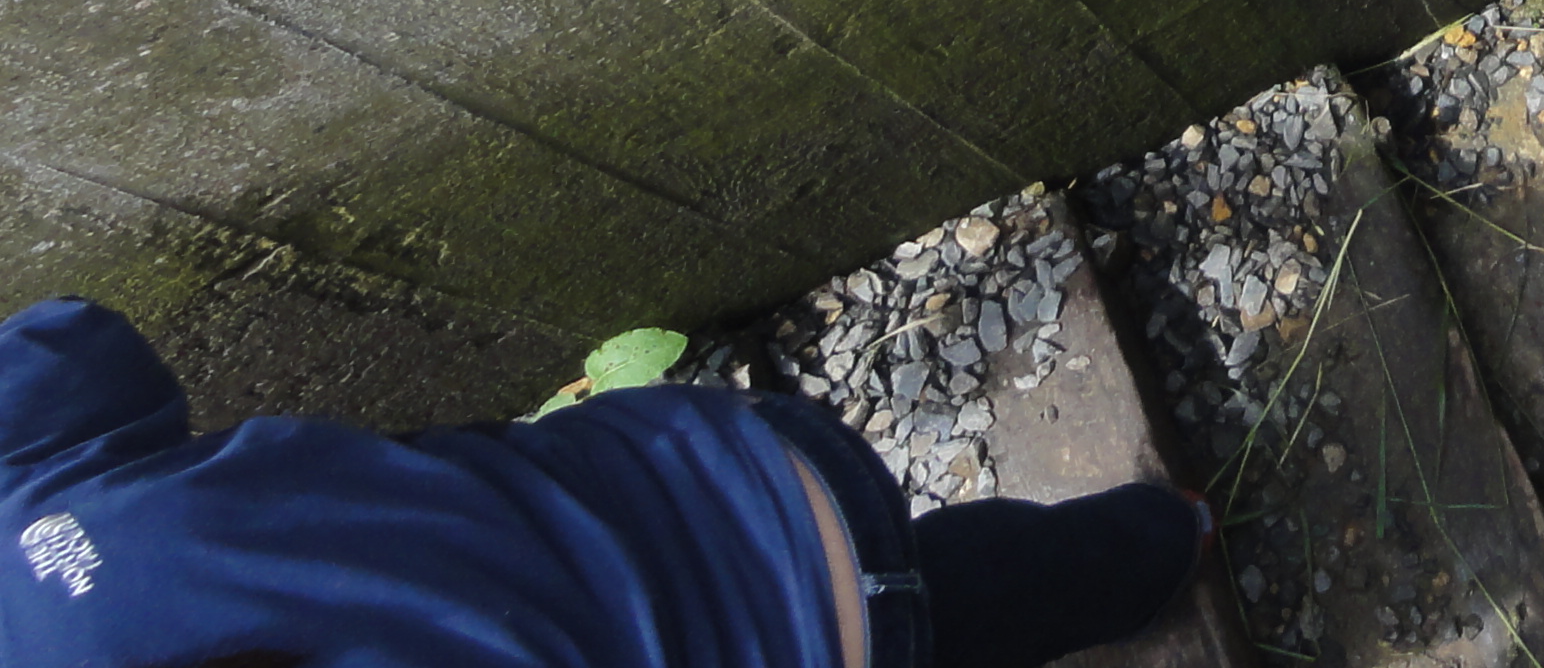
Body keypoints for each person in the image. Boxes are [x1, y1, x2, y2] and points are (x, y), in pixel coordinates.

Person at [0, 295, 1208, 668]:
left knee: (962, 610)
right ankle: (1170, 534)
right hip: (742, 468)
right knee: (998, 572)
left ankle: (1153, 555)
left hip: (832, 648)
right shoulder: (32, 538)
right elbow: (76, 345)